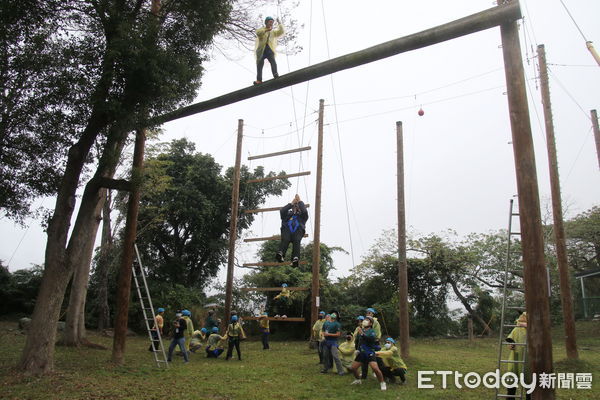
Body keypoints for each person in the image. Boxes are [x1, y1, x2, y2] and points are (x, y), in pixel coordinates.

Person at [350, 316, 386, 391]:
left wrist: (362, 334)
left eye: (367, 320)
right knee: (353, 368)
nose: (365, 321)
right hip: (361, 353)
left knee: (375, 368)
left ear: (371, 323)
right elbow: (358, 341)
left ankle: (382, 383)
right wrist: (357, 349)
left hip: (369, 352)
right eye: (365, 319)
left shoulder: (372, 331)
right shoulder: (361, 330)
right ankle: (358, 380)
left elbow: (371, 339)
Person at [276, 194, 309, 268]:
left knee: (297, 241)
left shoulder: (302, 217)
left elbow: (304, 212)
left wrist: (300, 201)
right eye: (294, 206)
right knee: (285, 240)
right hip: (287, 230)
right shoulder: (287, 215)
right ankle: (280, 254)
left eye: (297, 207)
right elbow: (282, 211)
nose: (296, 207)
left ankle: (295, 258)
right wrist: (291, 204)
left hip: (297, 231)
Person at [505, 312, 530, 400]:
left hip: (528, 359)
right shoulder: (517, 329)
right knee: (512, 378)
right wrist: (511, 345)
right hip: (515, 357)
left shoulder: (534, 330)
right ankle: (510, 397)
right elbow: (510, 339)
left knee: (529, 381)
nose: (522, 319)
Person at [253, 16, 284, 85]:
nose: (271, 23)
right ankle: (259, 80)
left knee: (272, 61)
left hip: (269, 49)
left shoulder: (273, 32)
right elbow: (258, 33)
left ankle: (275, 74)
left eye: (272, 22)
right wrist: (266, 30)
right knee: (259, 65)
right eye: (270, 22)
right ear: (266, 22)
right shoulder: (262, 30)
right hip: (261, 50)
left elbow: (281, 32)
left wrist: (279, 24)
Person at [361, 308, 381, 379]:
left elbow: (377, 333)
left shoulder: (376, 322)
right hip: (365, 342)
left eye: (369, 313)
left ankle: (374, 372)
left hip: (373, 342)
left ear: (373, 314)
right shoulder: (365, 322)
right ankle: (364, 374)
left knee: (373, 359)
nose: (368, 314)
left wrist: (376, 339)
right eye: (367, 313)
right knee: (364, 358)